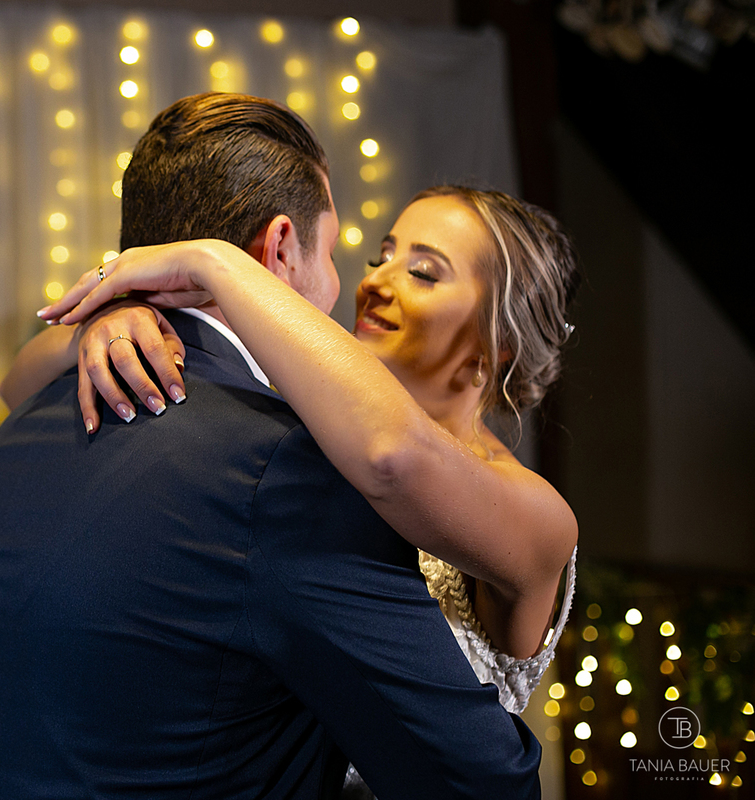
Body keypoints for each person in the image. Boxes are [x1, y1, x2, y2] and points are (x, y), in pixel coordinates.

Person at [0, 93, 542, 799]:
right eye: (346, 253)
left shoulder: (17, 435)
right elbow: (480, 782)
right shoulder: (286, 470)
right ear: (279, 248)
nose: (362, 286)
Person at [33, 186, 581, 716]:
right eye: (380, 256)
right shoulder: (301, 431)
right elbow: (18, 386)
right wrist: (109, 320)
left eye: (422, 272)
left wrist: (214, 265)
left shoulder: (539, 520)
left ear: (497, 342)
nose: (375, 282)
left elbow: (395, 456)